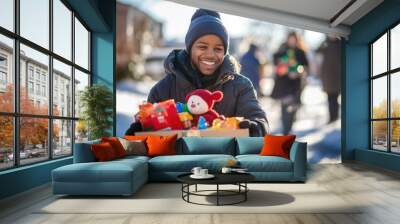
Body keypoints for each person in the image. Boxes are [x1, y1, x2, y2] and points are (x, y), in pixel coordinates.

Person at [125, 9, 269, 137]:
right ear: (189, 48)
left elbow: (260, 121)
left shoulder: (240, 86)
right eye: (202, 47)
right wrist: (140, 127)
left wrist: (253, 127)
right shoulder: (165, 88)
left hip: (226, 162)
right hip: (177, 164)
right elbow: (149, 123)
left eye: (218, 49)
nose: (210, 54)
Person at [271, 31, 309, 135]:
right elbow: (275, 60)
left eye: (294, 39)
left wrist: (298, 72)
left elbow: (305, 67)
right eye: (290, 39)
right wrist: (283, 65)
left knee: (293, 108)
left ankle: (289, 127)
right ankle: (286, 130)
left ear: (297, 40)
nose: (292, 41)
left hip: (295, 85)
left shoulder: (300, 52)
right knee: (285, 107)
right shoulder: (282, 49)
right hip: (284, 84)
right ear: (287, 39)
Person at [317, 35, 341, 123]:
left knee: (335, 98)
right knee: (330, 99)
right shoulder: (325, 43)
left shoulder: (340, 43)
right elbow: (317, 51)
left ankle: (335, 117)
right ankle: (332, 118)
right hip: (327, 77)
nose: (332, 36)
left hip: (338, 76)